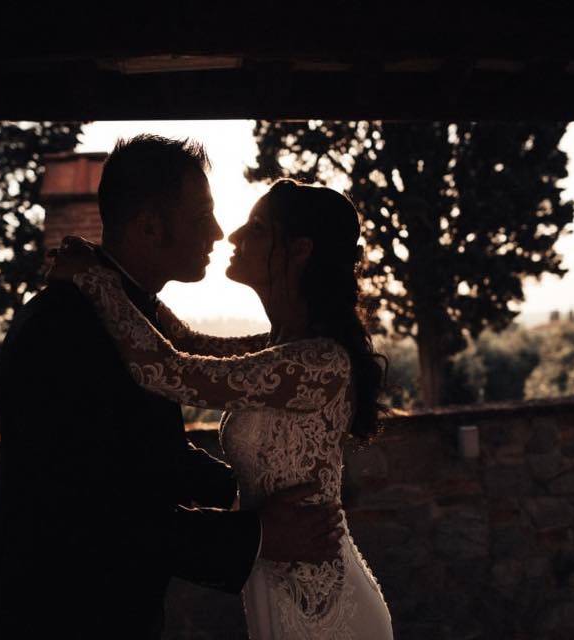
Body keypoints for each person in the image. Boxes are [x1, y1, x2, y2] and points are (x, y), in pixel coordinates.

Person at [0, 136, 344, 639]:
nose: (216, 231)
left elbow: (152, 453)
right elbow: (88, 512)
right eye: (200, 216)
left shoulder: (123, 315)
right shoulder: (65, 328)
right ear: (149, 226)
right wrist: (256, 535)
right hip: (56, 610)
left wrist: (252, 490)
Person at [51, 178, 394, 639]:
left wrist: (92, 279)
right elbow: (189, 345)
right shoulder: (281, 350)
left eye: (255, 228)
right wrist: (120, 280)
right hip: (278, 583)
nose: (233, 236)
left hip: (322, 605)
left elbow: (167, 371)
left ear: (299, 250)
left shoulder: (318, 363)